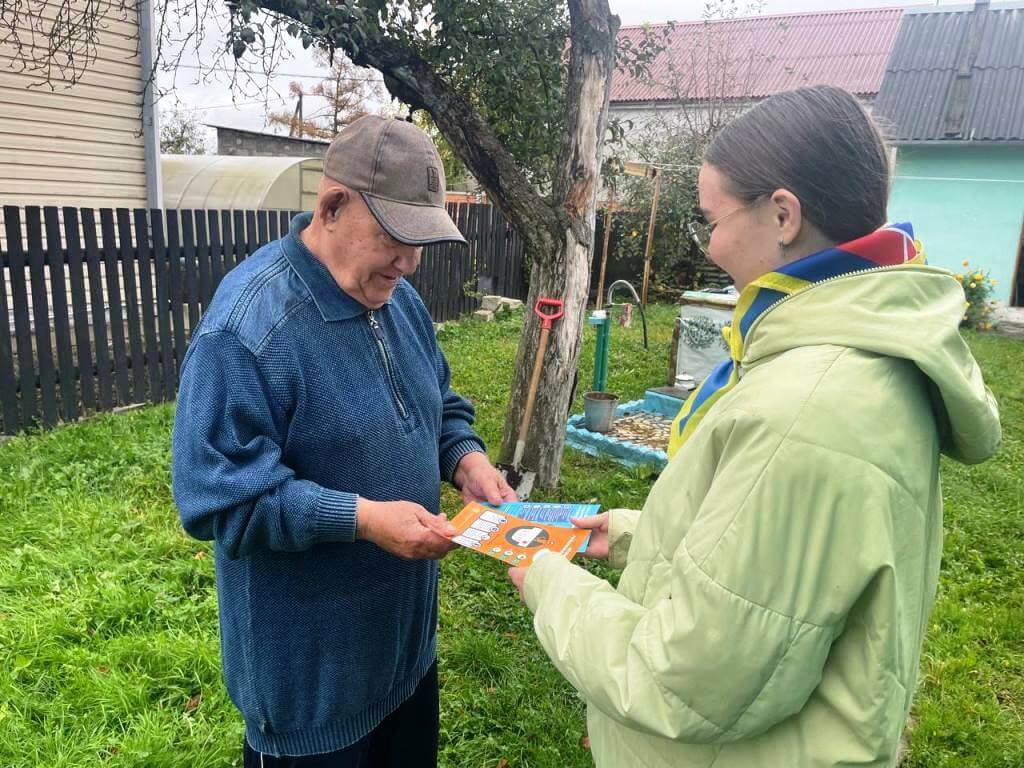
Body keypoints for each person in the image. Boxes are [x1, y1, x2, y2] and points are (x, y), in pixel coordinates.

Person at [509, 85, 1001, 767]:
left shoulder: (809, 408)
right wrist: (634, 535)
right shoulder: (860, 355)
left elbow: (683, 683)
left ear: (782, 214)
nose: (709, 246)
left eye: (711, 219)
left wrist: (546, 579)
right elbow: (784, 564)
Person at [171, 115, 516, 767]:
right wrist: (360, 520)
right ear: (332, 205)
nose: (410, 262)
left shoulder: (397, 299)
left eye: (420, 241)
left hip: (404, 657)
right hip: (311, 694)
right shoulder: (248, 329)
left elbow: (436, 399)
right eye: (395, 235)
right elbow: (218, 502)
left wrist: (464, 456)